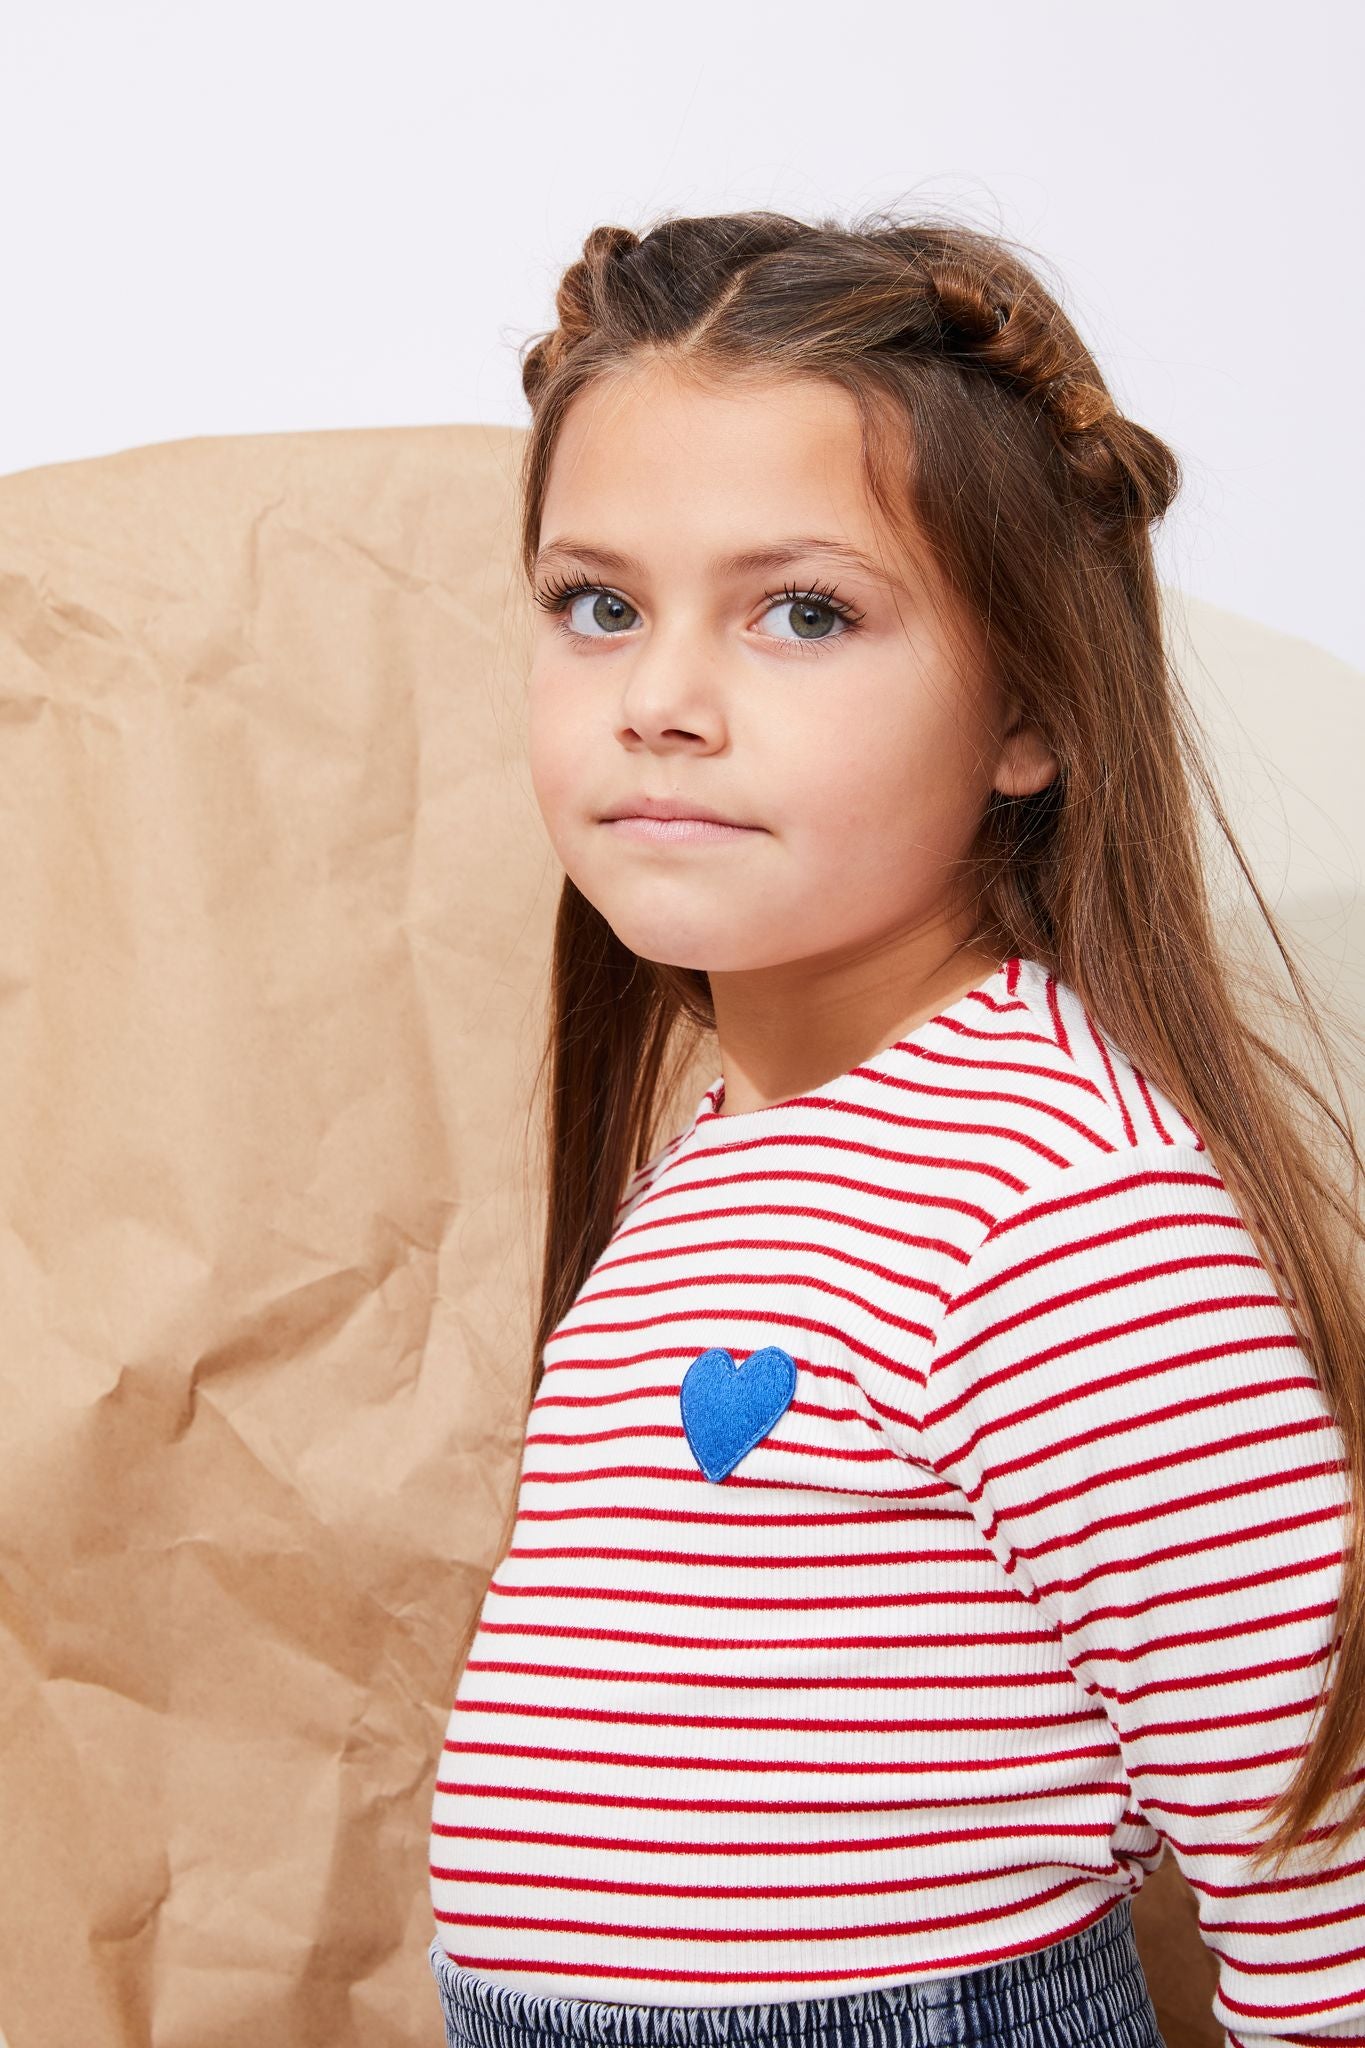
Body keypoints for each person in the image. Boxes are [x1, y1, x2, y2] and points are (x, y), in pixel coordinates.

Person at [425, 207, 1365, 2047]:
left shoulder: (1056, 1203)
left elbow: (1317, 1858)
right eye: (595, 605)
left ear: (1026, 707)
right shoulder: (732, 1142)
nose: (659, 704)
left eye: (803, 614)